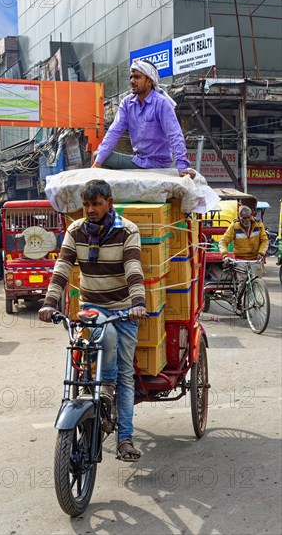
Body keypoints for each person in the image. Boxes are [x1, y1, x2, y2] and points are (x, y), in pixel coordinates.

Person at [39, 180, 147, 462]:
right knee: (103, 335)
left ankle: (125, 439)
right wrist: (50, 303)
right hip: (93, 306)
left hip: (125, 309)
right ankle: (103, 389)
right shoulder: (75, 231)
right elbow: (62, 269)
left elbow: (134, 270)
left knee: (126, 375)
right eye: (86, 204)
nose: (90, 210)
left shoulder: (127, 231)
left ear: (109, 203)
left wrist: (138, 303)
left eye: (96, 204)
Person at [92, 59, 196, 179]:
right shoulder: (127, 103)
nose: (132, 81)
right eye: (131, 77)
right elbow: (114, 132)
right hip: (138, 161)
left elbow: (175, 135)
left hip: (158, 164)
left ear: (149, 81)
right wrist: (97, 163)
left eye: (137, 77)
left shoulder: (161, 103)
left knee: (99, 158)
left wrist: (182, 166)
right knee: (99, 156)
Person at [219, 205, 268, 305]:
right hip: (240, 260)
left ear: (251, 216)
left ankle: (251, 302)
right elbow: (223, 242)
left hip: (255, 259)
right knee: (243, 283)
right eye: (243, 218)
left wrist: (261, 253)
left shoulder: (259, 224)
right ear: (239, 217)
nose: (246, 220)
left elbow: (264, 240)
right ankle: (241, 304)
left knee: (255, 282)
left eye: (248, 217)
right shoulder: (234, 226)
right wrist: (225, 255)